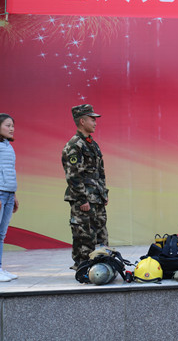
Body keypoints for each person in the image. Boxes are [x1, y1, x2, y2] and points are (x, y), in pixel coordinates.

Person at [62, 104, 109, 270]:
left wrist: (104, 193)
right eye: (92, 119)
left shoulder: (92, 144)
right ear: (82, 121)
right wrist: (82, 199)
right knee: (84, 234)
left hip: (96, 196)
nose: (95, 122)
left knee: (100, 233)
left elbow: (100, 171)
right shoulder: (75, 145)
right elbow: (73, 175)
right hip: (83, 199)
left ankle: (101, 265)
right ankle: (83, 266)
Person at [0, 114, 19, 282]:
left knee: (1, 234)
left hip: (8, 194)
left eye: (12, 125)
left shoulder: (7, 145)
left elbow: (9, 172)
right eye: (8, 125)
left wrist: (14, 195)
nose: (12, 128)